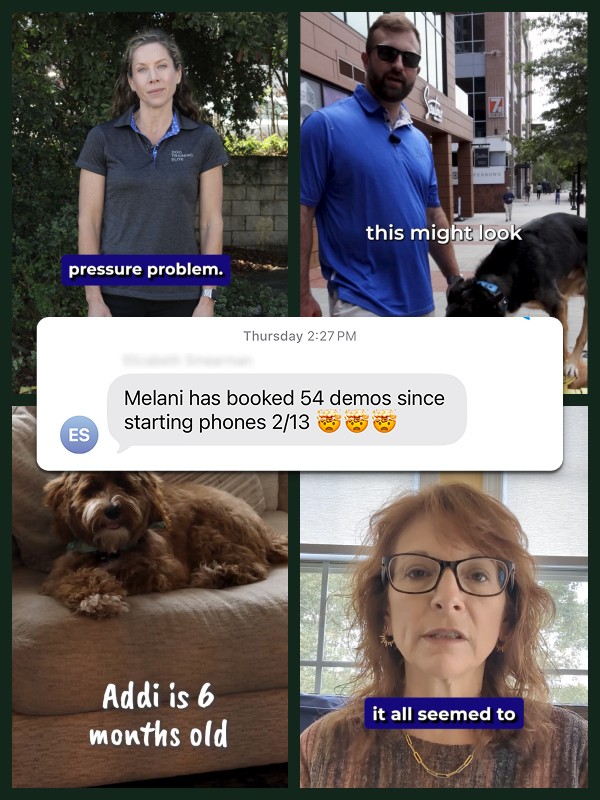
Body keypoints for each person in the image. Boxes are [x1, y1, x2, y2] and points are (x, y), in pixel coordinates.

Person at [300, 483, 588, 788]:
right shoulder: (319, 748)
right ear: (386, 614)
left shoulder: (575, 752)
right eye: (418, 572)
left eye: (478, 575)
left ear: (506, 619)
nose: (448, 598)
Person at [300, 14, 462, 318]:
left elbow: (433, 215)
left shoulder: (420, 142)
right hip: (360, 304)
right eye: (388, 53)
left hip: (421, 305)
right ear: (366, 58)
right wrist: (301, 295)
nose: (399, 65)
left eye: (409, 58)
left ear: (417, 70)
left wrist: (455, 280)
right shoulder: (324, 126)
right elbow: (302, 212)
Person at [77, 29, 228, 317]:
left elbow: (211, 223)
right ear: (132, 82)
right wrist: (93, 298)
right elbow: (89, 222)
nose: (153, 77)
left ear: (178, 74)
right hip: (115, 294)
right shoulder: (103, 139)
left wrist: (208, 298)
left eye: (161, 66)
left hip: (183, 295)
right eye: (142, 69)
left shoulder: (204, 140)